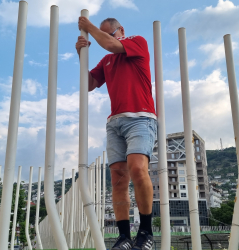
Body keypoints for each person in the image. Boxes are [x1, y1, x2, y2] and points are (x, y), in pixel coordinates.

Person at [76, 17, 157, 250]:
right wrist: (81, 55)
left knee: (138, 169)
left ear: (121, 30)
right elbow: (90, 83)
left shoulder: (137, 42)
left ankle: (145, 233)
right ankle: (124, 237)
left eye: (109, 34)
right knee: (118, 180)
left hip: (141, 117)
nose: (105, 39)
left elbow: (111, 44)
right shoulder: (107, 60)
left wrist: (89, 28)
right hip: (115, 122)